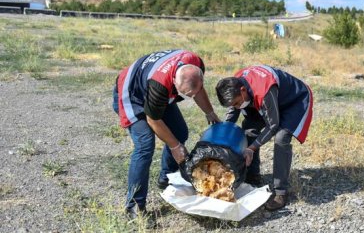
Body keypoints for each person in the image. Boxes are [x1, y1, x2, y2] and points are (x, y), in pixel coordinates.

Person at [112, 49, 220, 219]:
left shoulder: (195, 64)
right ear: (174, 83)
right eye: (186, 95)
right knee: (145, 146)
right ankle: (134, 206)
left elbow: (197, 89)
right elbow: (153, 120)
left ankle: (166, 177)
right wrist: (175, 146)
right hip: (133, 92)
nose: (190, 97)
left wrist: (209, 112)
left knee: (180, 132)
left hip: (159, 90)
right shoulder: (159, 86)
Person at [215, 65, 313, 211]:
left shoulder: (263, 90)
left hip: (294, 100)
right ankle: (253, 176)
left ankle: (281, 192)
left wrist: (251, 148)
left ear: (243, 91)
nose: (235, 107)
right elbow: (232, 115)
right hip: (268, 100)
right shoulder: (235, 85)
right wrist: (222, 137)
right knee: (249, 130)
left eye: (236, 103)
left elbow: (273, 125)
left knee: (281, 139)